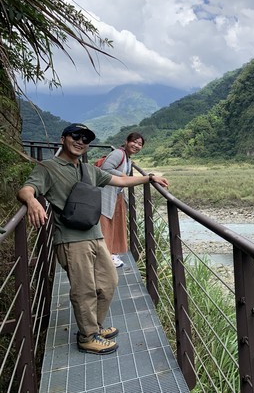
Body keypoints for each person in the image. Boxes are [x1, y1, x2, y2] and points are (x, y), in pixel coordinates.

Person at [17, 123, 169, 355]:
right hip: (70, 239)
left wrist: (149, 178)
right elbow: (27, 188)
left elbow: (120, 181)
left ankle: (93, 327)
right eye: (75, 136)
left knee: (109, 281)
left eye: (85, 139)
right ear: (63, 139)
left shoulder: (89, 170)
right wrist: (32, 201)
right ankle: (87, 336)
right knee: (84, 289)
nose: (80, 141)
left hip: (95, 234)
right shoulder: (48, 167)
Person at [99, 132, 145, 268]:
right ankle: (105, 257)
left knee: (115, 224)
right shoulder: (118, 154)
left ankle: (111, 253)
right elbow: (105, 168)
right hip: (107, 194)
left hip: (116, 195)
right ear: (126, 141)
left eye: (140, 144)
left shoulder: (127, 158)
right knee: (106, 224)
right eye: (134, 142)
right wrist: (124, 176)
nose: (136, 145)